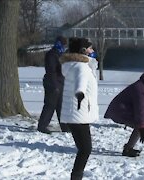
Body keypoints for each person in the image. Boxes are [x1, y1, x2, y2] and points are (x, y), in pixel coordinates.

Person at [59, 37, 99, 180]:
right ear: (83, 50)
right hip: (78, 112)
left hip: (77, 112)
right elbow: (80, 82)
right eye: (90, 48)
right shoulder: (81, 66)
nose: (92, 50)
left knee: (84, 149)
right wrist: (80, 92)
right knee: (85, 149)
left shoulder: (76, 65)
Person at [104, 70, 144, 157]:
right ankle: (128, 150)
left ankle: (129, 147)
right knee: (139, 126)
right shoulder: (139, 90)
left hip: (122, 110)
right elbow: (140, 110)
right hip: (119, 112)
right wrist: (143, 127)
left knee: (141, 125)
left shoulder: (142, 88)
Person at [37, 36, 70, 134]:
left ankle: (65, 127)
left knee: (61, 106)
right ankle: (42, 126)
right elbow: (51, 71)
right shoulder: (51, 54)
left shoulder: (61, 54)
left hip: (60, 83)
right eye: (63, 44)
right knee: (50, 105)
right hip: (52, 83)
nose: (64, 47)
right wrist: (55, 85)